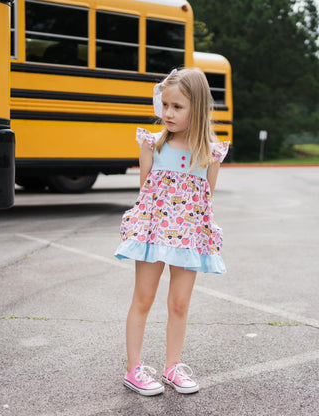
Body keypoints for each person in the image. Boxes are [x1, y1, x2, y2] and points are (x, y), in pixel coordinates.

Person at [114, 67, 229, 396]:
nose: (167, 113)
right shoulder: (152, 145)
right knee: (144, 298)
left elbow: (205, 202)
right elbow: (145, 197)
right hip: (154, 235)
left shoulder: (210, 153)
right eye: (164, 105)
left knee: (180, 303)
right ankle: (134, 368)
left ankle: (172, 367)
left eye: (177, 107)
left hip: (188, 238)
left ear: (198, 108)